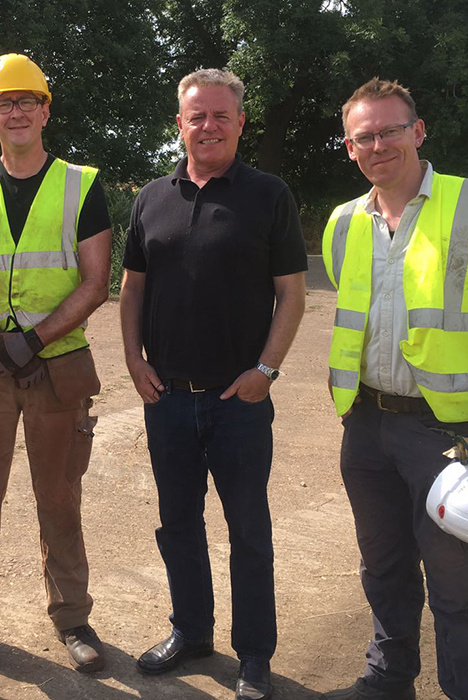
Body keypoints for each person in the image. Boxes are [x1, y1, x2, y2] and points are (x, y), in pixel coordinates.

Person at [120, 68, 307, 700]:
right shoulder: (151, 197)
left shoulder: (268, 194)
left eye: (221, 115)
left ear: (240, 122)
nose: (208, 126)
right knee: (178, 526)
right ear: (180, 123)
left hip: (239, 402)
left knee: (249, 531)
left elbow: (291, 294)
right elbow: (132, 288)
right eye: (196, 116)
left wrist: (266, 372)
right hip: (166, 396)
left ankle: (254, 655)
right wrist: (132, 359)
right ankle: (191, 632)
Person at [0, 53, 111, 675]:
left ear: (46, 110)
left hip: (56, 368)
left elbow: (94, 283)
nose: (16, 111)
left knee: (60, 496)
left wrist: (31, 343)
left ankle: (72, 618)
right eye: (2, 103)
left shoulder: (82, 184)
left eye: (27, 100)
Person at [322, 77, 468, 700]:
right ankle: (389, 678)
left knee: (456, 580)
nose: (378, 144)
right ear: (351, 149)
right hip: (366, 422)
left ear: (418, 131)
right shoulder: (342, 223)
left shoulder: (464, 206)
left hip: (446, 431)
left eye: (389, 130)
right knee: (382, 564)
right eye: (364, 136)